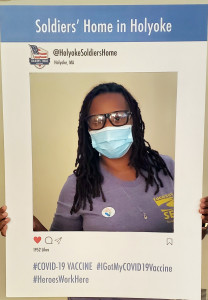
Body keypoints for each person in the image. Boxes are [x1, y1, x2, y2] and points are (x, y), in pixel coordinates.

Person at [0, 83, 208, 299]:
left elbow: (184, 240)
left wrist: (201, 223)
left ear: (134, 119)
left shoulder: (168, 168)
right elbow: (59, 255)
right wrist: (28, 230)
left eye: (118, 117)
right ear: (87, 129)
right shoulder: (77, 186)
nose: (108, 127)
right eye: (97, 121)